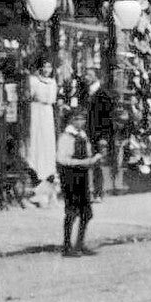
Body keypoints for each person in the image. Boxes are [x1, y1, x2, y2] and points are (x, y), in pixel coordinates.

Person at [56, 109, 103, 257]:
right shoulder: (65, 137)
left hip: (82, 176)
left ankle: (79, 244)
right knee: (71, 211)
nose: (80, 122)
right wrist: (86, 162)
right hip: (70, 176)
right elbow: (62, 159)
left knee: (86, 212)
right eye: (77, 119)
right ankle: (66, 245)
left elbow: (87, 154)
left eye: (82, 119)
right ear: (70, 121)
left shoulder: (83, 136)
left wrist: (93, 160)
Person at [77, 67, 116, 201]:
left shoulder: (103, 94)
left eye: (89, 75)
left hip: (98, 133)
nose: (86, 77)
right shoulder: (83, 92)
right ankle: (86, 191)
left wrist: (104, 137)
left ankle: (98, 192)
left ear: (96, 77)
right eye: (86, 74)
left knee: (97, 163)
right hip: (85, 132)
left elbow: (107, 118)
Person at [26, 59, 59, 207]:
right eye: (44, 66)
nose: (47, 69)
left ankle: (48, 187)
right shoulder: (33, 80)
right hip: (36, 111)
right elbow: (30, 96)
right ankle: (37, 182)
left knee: (47, 145)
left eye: (49, 66)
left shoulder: (52, 82)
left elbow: (52, 99)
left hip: (47, 113)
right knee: (36, 143)